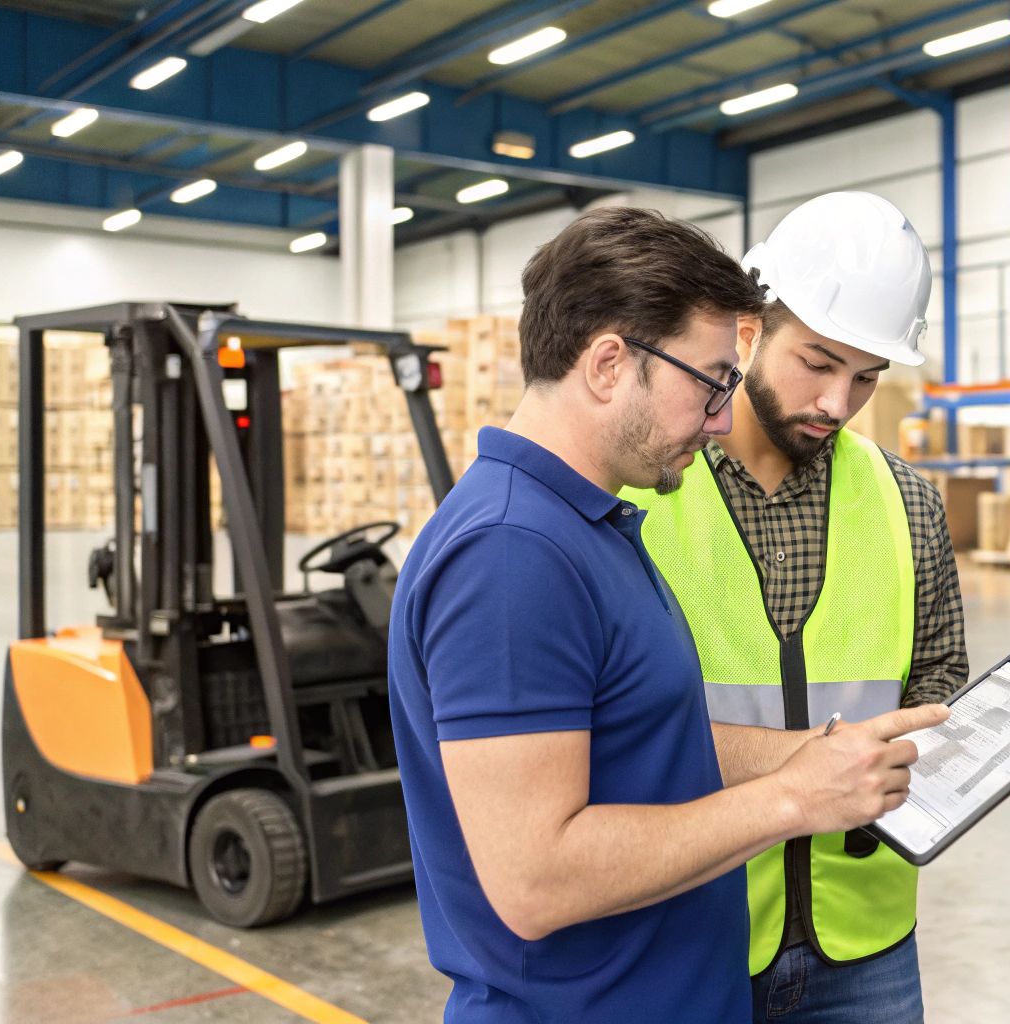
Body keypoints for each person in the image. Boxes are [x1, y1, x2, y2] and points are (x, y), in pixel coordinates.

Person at [387, 205, 950, 1023]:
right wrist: (795, 800)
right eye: (710, 379)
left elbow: (649, 735)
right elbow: (536, 880)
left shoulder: (590, 527)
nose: (724, 416)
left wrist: (814, 753)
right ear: (610, 364)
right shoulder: (511, 557)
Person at [622, 192, 968, 1022]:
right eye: (817, 363)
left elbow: (939, 677)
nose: (838, 404)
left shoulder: (907, 501)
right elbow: (611, 728)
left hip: (866, 935)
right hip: (694, 925)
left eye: (866, 378)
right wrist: (805, 760)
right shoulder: (641, 496)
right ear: (749, 328)